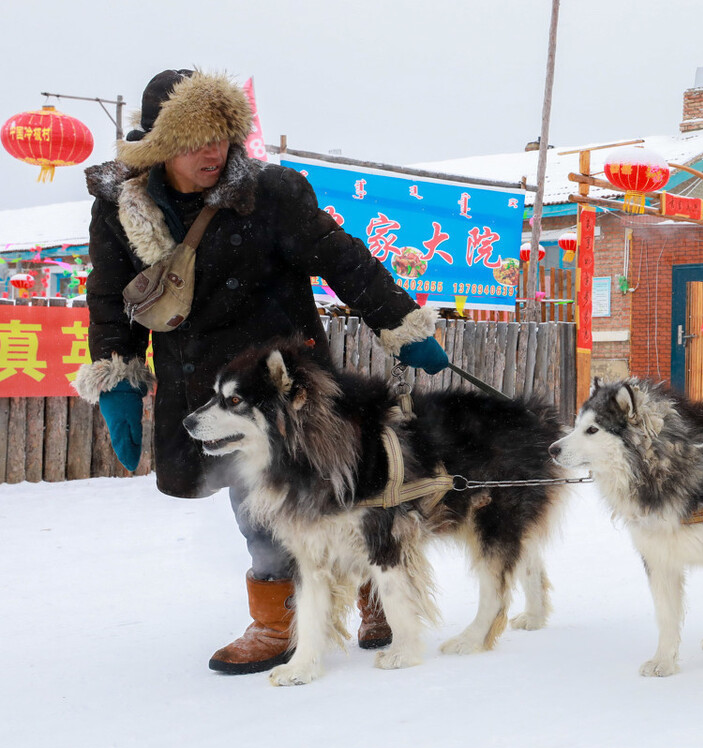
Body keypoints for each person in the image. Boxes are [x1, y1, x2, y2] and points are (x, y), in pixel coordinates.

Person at [73, 69, 449, 674]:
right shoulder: (122, 208)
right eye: (195, 137)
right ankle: (278, 622)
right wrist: (116, 375)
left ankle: (375, 591)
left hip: (291, 387)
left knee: (348, 492)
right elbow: (112, 296)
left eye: (222, 133)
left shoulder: (269, 192)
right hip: (206, 384)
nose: (212, 150)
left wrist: (401, 324)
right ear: (159, 143)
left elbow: (343, 259)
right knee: (259, 505)